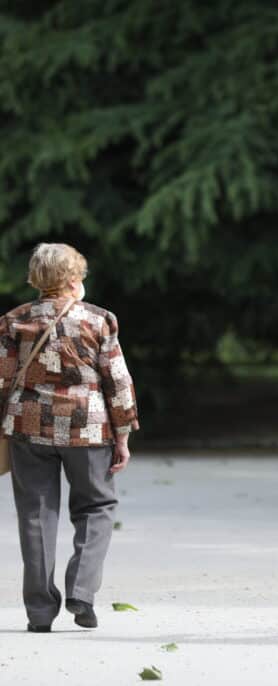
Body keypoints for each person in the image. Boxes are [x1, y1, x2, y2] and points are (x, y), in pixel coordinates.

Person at [0, 243, 139, 632]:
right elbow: (118, 381)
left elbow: (1, 379)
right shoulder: (99, 320)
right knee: (97, 507)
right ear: (74, 279)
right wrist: (124, 434)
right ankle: (81, 593)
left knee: (35, 515)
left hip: (29, 428)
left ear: (35, 279)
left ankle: (40, 613)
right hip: (89, 428)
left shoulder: (13, 320)